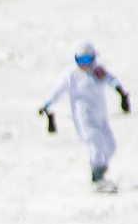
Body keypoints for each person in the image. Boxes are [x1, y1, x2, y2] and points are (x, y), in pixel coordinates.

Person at [38, 41, 130, 189]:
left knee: (110, 146)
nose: (84, 64)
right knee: (95, 142)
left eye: (87, 60)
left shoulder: (98, 71)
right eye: (80, 60)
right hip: (84, 117)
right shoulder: (71, 75)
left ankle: (101, 170)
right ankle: (96, 178)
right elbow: (57, 90)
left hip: (101, 116)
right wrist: (46, 105)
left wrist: (121, 93)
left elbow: (111, 80)